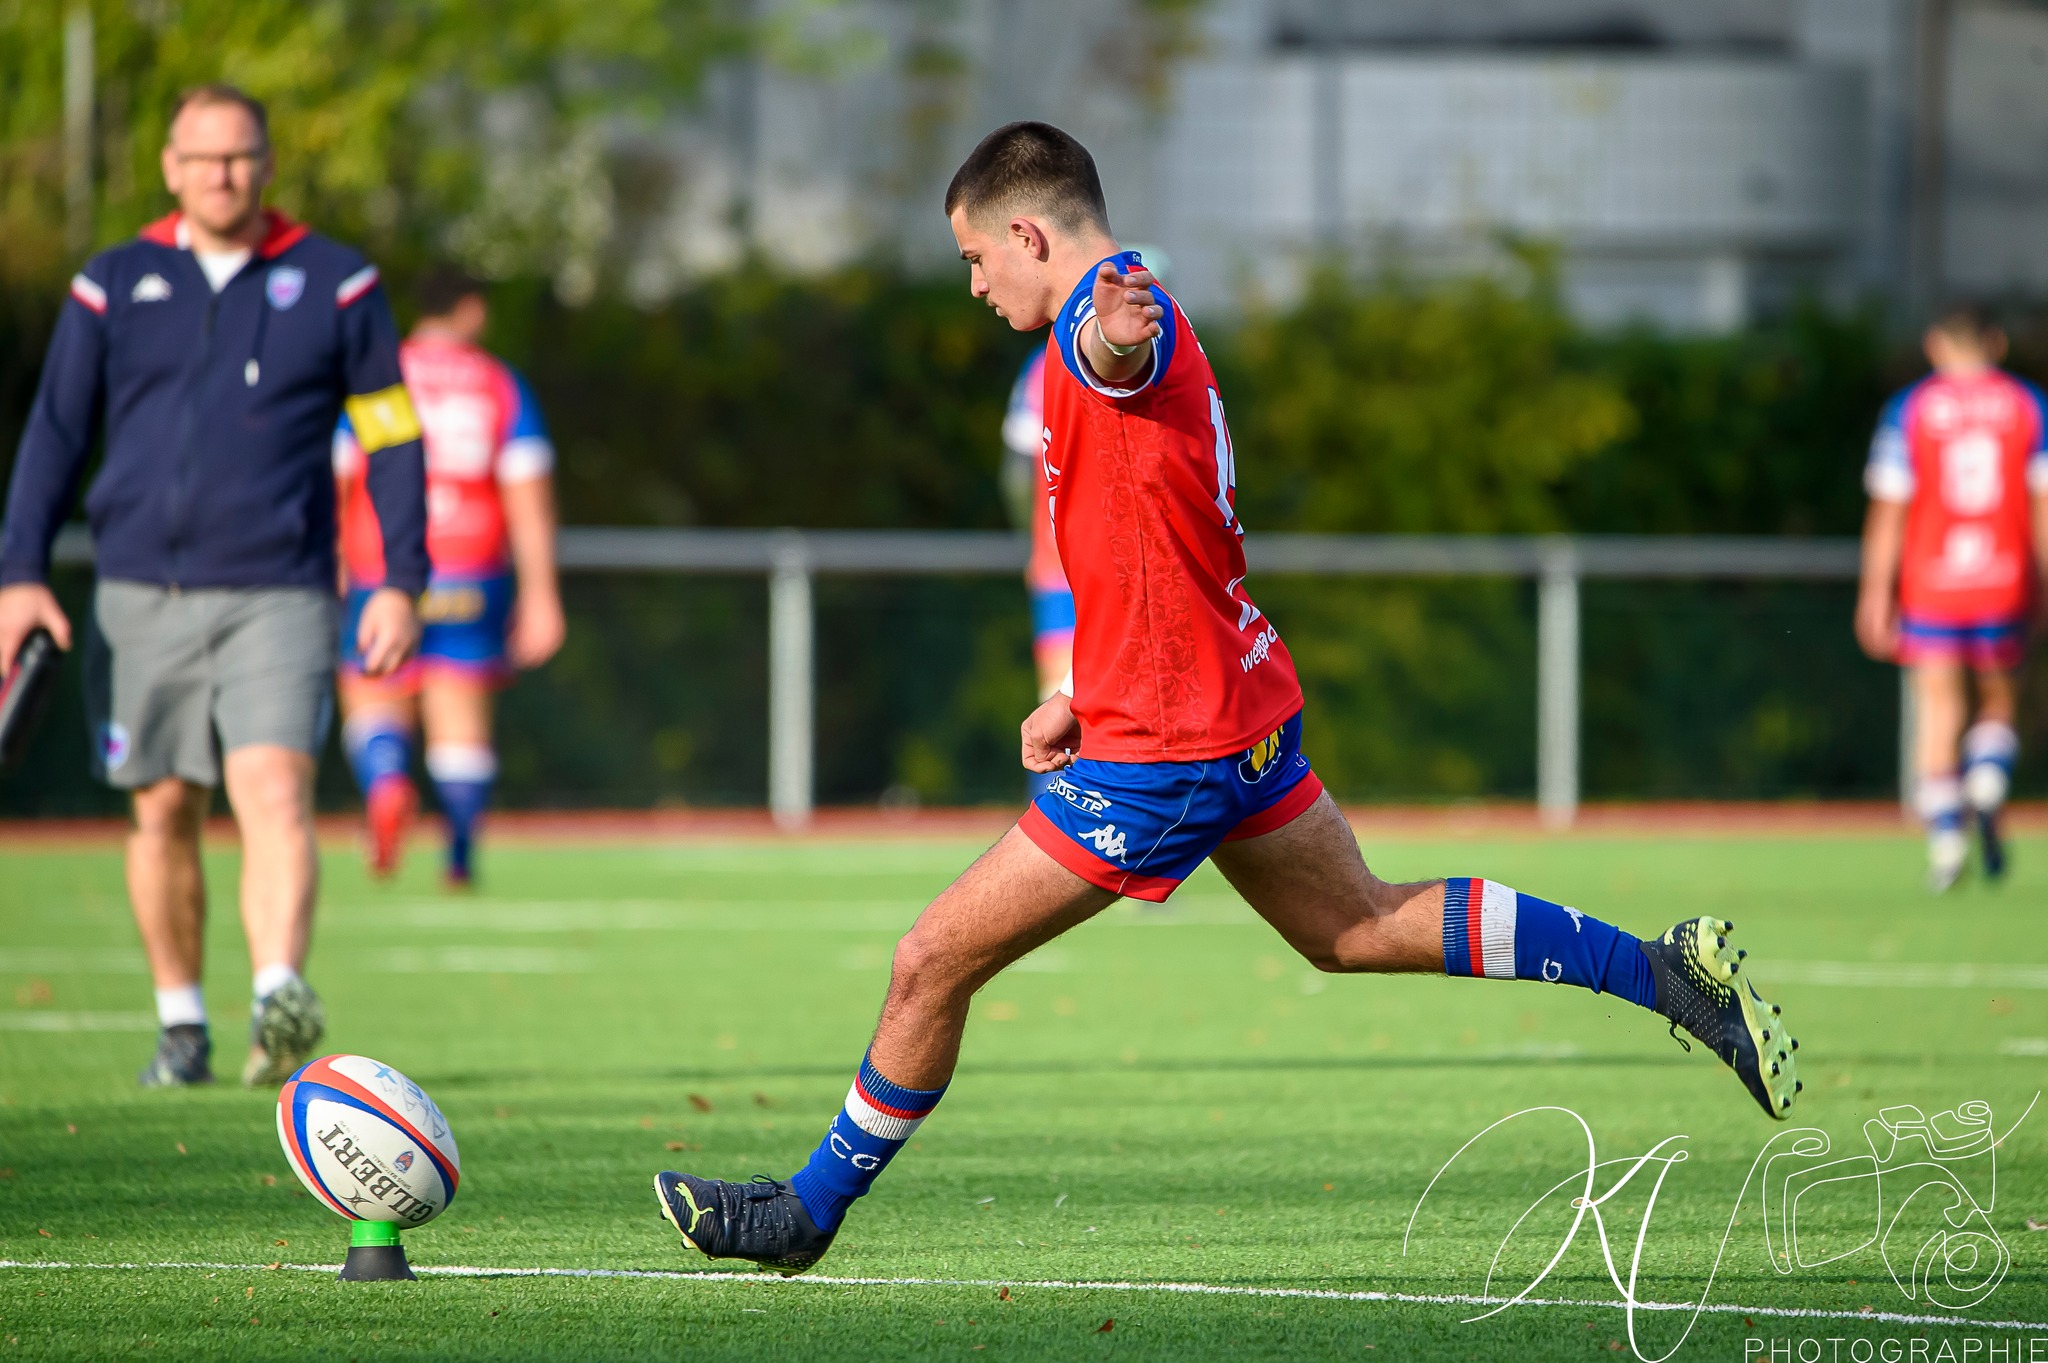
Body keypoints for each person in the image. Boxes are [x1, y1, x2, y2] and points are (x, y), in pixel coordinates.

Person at [651, 122, 1801, 1274]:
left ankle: (806, 1212)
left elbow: (1121, 356)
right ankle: (1658, 973)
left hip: (1166, 748)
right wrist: (1075, 690)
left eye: (973, 258)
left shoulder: (1107, 311)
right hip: (1217, 706)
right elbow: (1135, 538)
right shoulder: (1102, 309)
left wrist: (1108, 338)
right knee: (1351, 924)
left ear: (1025, 232)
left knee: (927, 960)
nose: (971, 283)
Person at [0, 85, 428, 1088]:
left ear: (269, 164)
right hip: (140, 588)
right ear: (169, 166)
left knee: (275, 786)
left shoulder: (339, 283)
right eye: (202, 159)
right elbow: (56, 435)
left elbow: (392, 436)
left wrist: (401, 576)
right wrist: (19, 573)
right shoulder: (113, 282)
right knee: (162, 807)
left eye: (238, 157)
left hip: (280, 586)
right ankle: (180, 1022)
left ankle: (278, 994)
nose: (221, 175)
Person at [334, 266, 565, 885]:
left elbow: (340, 473)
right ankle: (460, 844)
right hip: (471, 567)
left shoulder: (384, 376)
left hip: (380, 565)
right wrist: (542, 594)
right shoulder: (495, 383)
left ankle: (385, 784)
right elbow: (528, 494)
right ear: (469, 309)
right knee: (458, 708)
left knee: (373, 691)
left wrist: (330, 556)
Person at [1857, 306, 2048, 891]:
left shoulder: (1909, 409)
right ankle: (1988, 779)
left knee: (1939, 711)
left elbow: (1889, 511)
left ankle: (1945, 843)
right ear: (1995, 343)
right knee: (1997, 699)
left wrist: (1874, 594)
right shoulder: (2027, 405)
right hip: (2004, 577)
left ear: (1936, 345)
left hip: (1932, 583)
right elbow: (2043, 506)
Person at [1001, 348, 1074, 784]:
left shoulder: (1042, 364)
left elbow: (1015, 472)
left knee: (1056, 708)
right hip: (1129, 571)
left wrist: (1034, 543)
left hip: (1059, 575)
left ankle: (1056, 826)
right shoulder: (1177, 343)